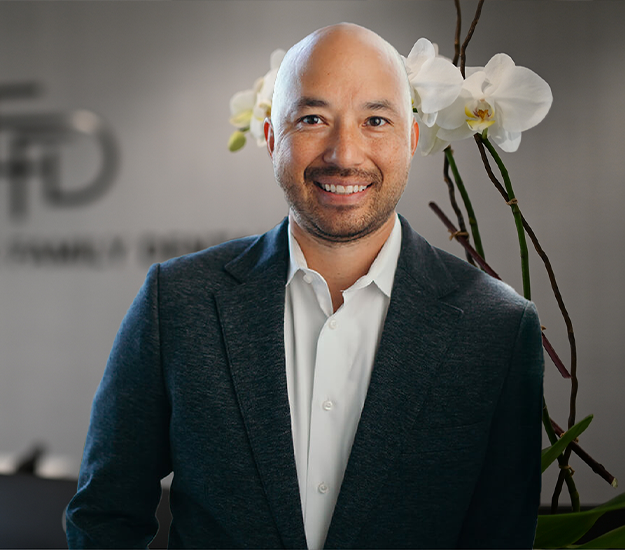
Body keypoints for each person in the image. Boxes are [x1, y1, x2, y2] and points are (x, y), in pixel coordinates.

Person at [66, 22, 544, 549]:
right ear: (272, 137)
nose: (344, 153)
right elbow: (105, 513)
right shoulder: (179, 301)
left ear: (411, 139)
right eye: (313, 118)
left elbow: (502, 536)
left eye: (375, 120)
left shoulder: (495, 327)